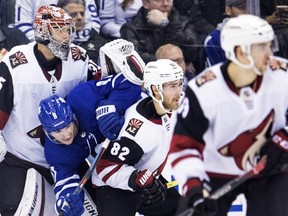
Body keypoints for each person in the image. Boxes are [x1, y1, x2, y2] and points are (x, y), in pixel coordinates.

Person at [169, 14, 288, 216]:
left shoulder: (282, 75)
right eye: (262, 47)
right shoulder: (204, 91)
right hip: (215, 171)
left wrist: (284, 139)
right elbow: (183, 145)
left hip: (269, 167)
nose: (270, 54)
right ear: (241, 52)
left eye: (270, 45)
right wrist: (194, 189)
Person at [0, 5, 99, 215]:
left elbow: (98, 96)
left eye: (68, 29)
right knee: (12, 211)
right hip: (22, 158)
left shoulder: (80, 59)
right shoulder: (14, 66)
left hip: (69, 155)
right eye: (60, 29)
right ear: (43, 32)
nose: (67, 36)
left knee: (99, 208)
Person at [38, 38, 145, 216]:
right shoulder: (55, 153)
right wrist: (66, 201)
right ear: (47, 132)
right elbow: (64, 181)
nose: (64, 135)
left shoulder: (83, 97)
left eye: (66, 126)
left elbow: (129, 80)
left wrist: (111, 106)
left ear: (72, 114)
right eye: (56, 132)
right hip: (112, 166)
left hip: (139, 135)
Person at [93, 59, 184, 216]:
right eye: (172, 86)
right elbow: (105, 167)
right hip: (114, 187)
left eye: (179, 84)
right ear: (156, 89)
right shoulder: (137, 132)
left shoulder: (165, 105)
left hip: (146, 178)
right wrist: (138, 178)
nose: (179, 92)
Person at [120, 0, 201, 73]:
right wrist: (173, 63)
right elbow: (134, 60)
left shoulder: (184, 23)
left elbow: (193, 52)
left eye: (168, 0)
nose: (165, 4)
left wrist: (167, 26)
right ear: (145, 3)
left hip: (181, 75)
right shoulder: (131, 28)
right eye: (159, 0)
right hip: (148, 77)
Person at [14, 0, 100, 42]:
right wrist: (51, 41)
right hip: (41, 44)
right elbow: (22, 26)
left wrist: (71, 41)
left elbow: (93, 24)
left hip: (84, 42)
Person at [204, 0, 247, 66]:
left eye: (251, 6)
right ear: (228, 10)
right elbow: (217, 73)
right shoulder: (214, 40)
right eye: (241, 7)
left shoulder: (260, 35)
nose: (247, 11)